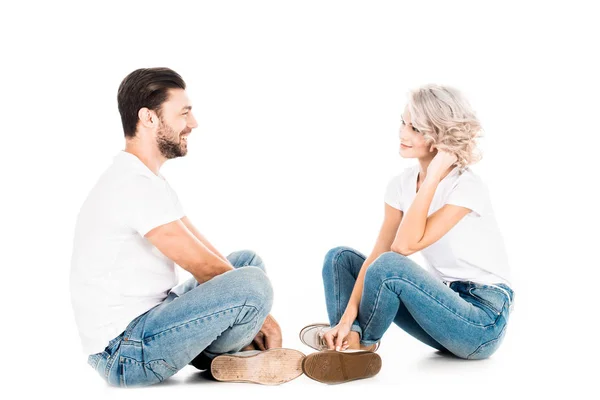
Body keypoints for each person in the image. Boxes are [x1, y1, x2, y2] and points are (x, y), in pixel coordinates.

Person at [70, 67, 304, 388]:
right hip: (126, 353)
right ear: (149, 118)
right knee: (253, 284)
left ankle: (228, 356)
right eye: (184, 113)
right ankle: (231, 354)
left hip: (151, 326)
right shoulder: (133, 184)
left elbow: (201, 245)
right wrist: (264, 317)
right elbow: (202, 265)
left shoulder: (147, 180)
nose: (193, 124)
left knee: (244, 262)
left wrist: (246, 300)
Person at [300, 84, 515, 384]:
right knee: (339, 259)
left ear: (439, 137)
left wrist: (434, 176)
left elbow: (403, 246)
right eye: (403, 122)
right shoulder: (399, 185)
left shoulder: (466, 186)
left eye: (415, 128)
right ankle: (347, 339)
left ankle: (361, 347)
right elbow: (377, 254)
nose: (403, 133)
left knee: (390, 267)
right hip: (440, 310)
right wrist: (349, 316)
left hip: (482, 322)